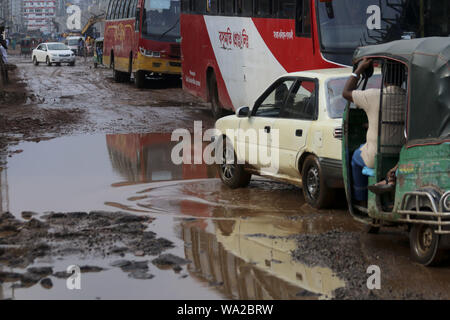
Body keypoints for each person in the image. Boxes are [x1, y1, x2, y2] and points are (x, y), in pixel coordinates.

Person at [343, 58, 406, 203]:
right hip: (400, 157)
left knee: (353, 157)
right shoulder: (408, 98)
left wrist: (359, 70)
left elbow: (346, 92)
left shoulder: (374, 95)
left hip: (375, 156)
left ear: (384, 79)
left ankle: (360, 200)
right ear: (402, 79)